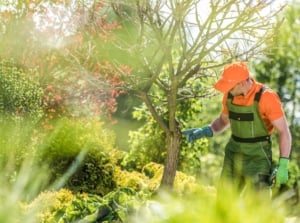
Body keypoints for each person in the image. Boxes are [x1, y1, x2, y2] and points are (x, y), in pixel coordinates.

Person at [183, 61, 291, 192]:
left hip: (258, 157)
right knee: (224, 203)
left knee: (258, 205)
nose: (227, 90)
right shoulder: (229, 96)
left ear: (241, 83)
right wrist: (206, 130)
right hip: (233, 154)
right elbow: (223, 121)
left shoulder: (266, 97)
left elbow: (283, 131)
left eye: (230, 87)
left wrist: (283, 164)